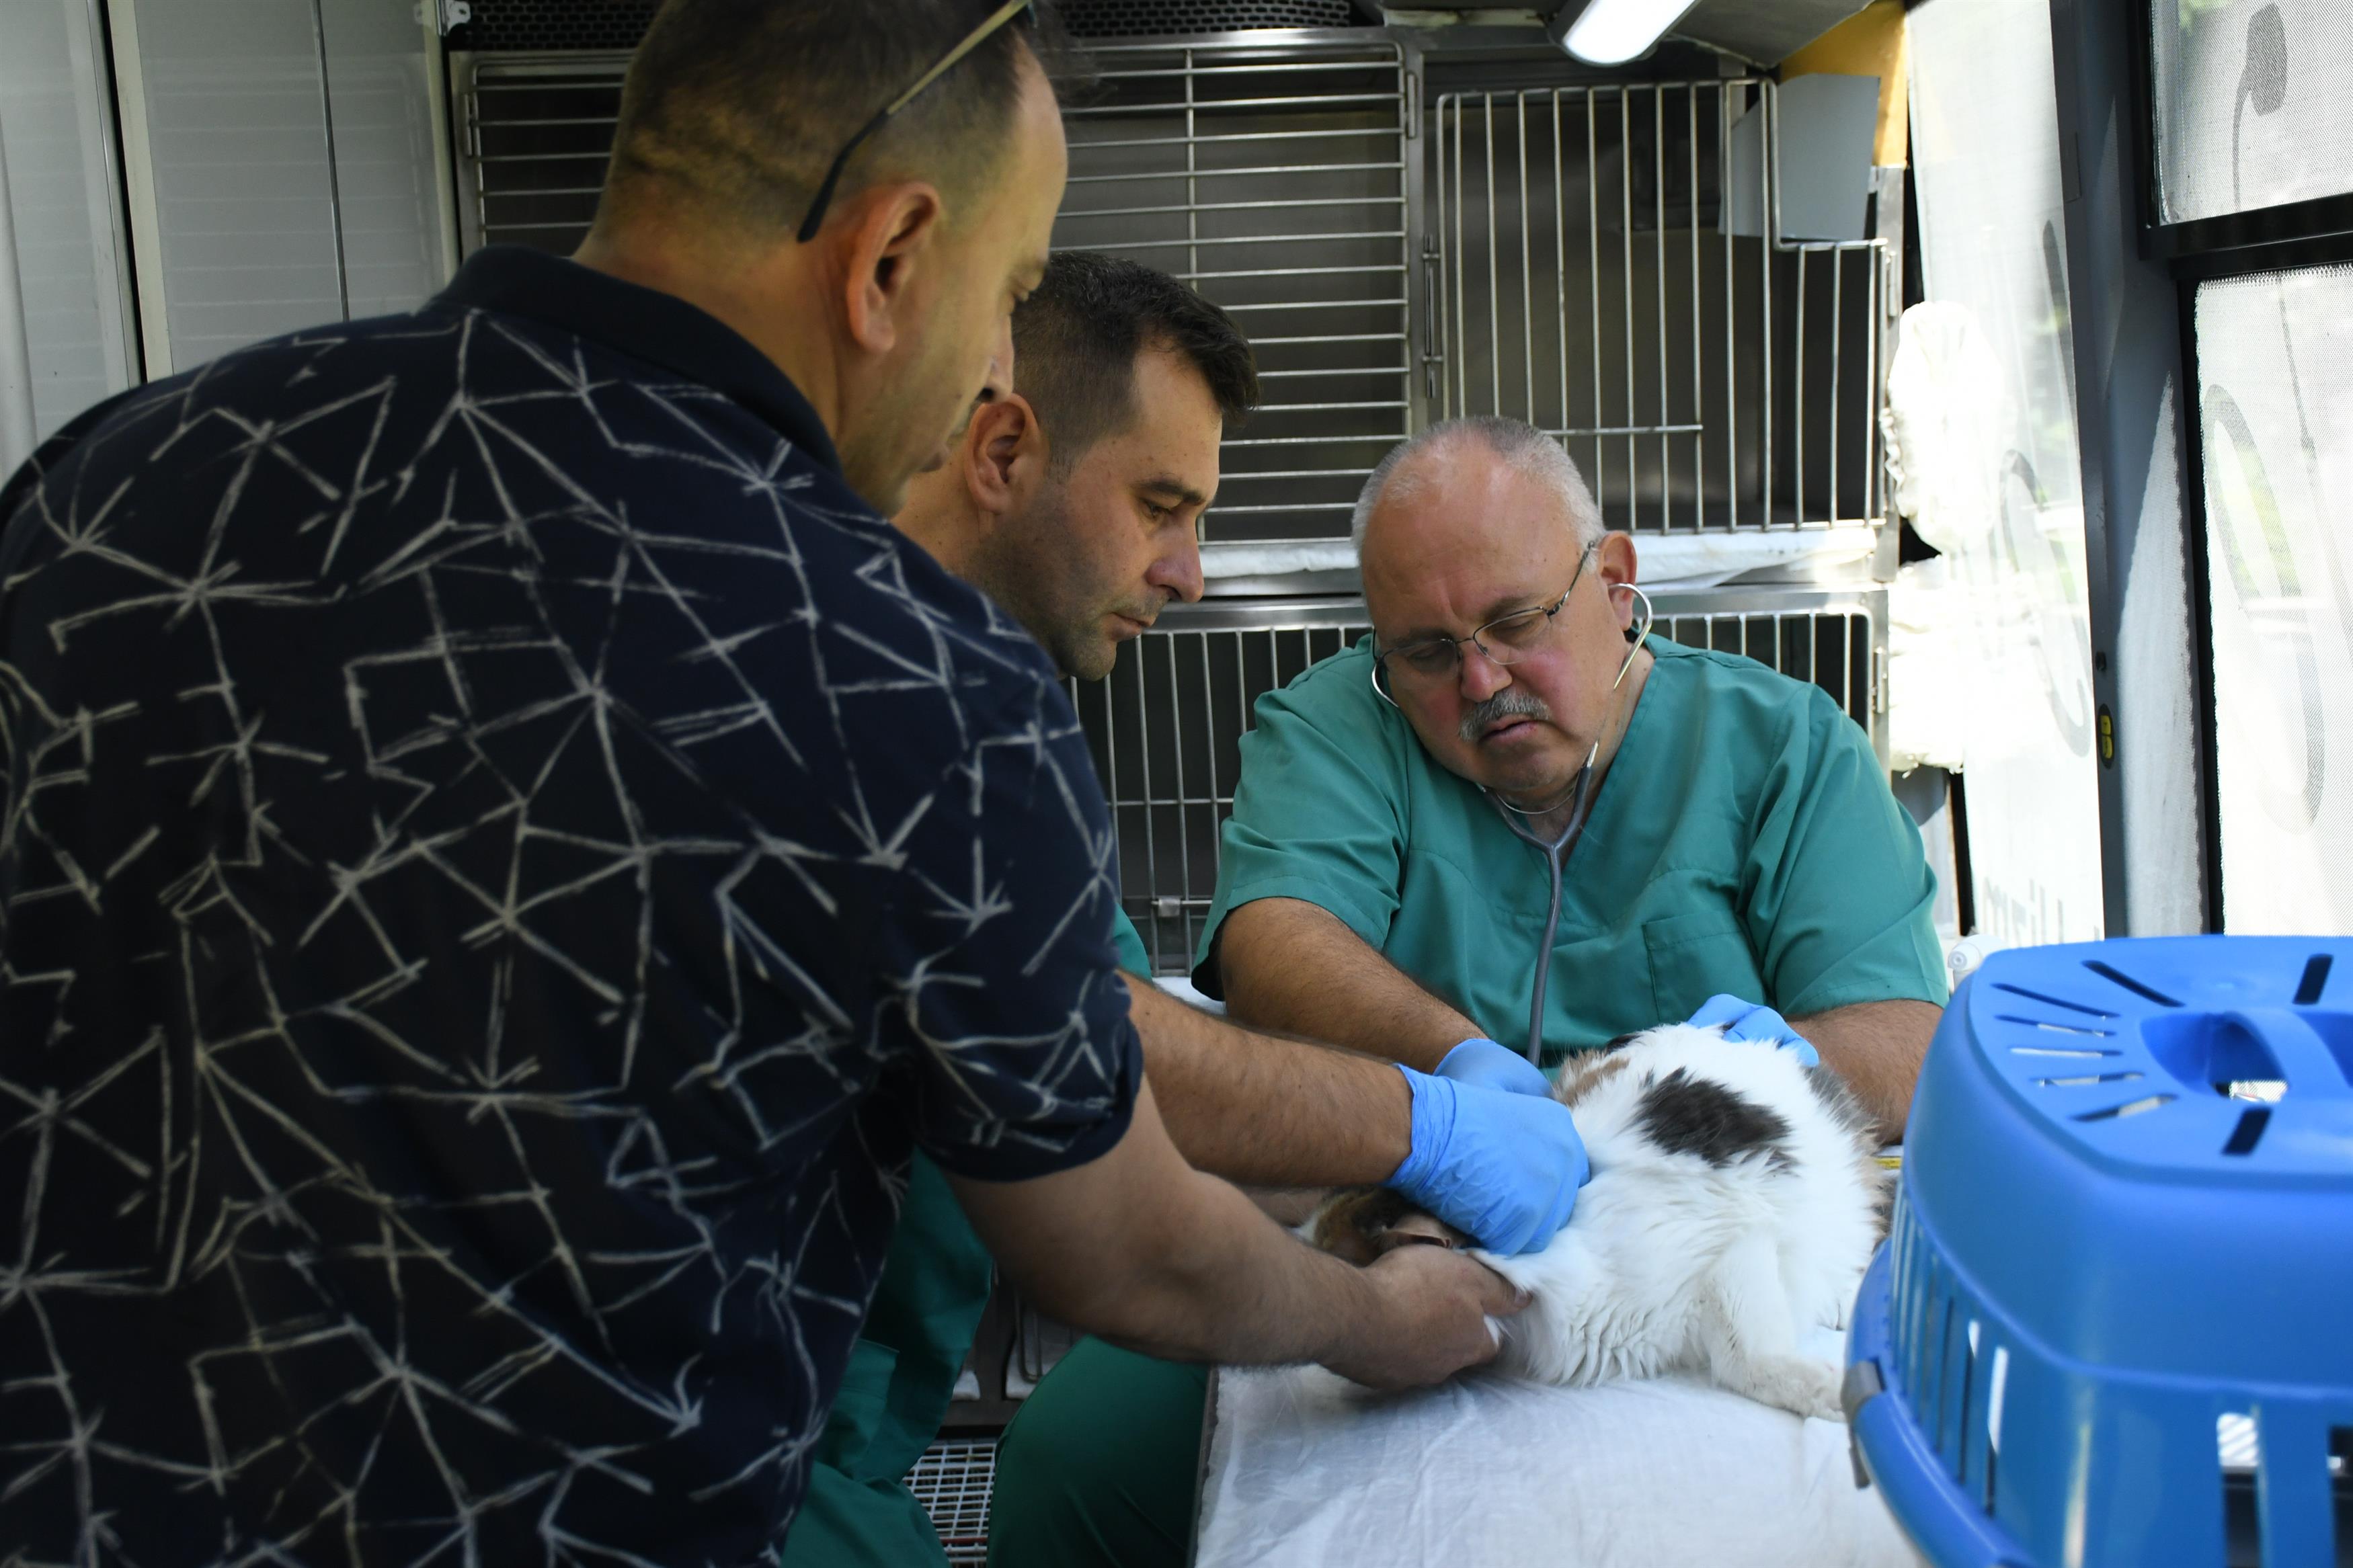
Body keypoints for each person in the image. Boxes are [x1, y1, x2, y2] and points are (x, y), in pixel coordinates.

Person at [0, 7, 1538, 1561]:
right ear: (887, 262)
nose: (998, 370)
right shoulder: (896, 666)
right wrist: (1376, 1312)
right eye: (1006, 295)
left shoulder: (113, 480)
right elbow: (1125, 1249)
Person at [996, 414, 1950, 1565]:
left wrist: (1765, 1063)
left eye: (1515, 623)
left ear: (1613, 577)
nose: (1485, 680)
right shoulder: (1343, 723)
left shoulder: (1784, 748)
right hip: (1391, 1217)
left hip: (1691, 1248)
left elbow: (1908, 1032)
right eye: (1431, 652)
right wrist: (1458, 1079)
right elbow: (1271, 938)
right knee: (1070, 1469)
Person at [783, 251, 1594, 1567]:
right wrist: (1420, 1135)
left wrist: (1404, 1153)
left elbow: (1133, 1065)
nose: (1190, 571)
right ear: (1000, 449)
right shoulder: (899, 705)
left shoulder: (982, 710)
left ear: (1611, 583)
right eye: (1161, 505)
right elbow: (1117, 1102)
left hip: (836, 1433)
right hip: (747, 1459)